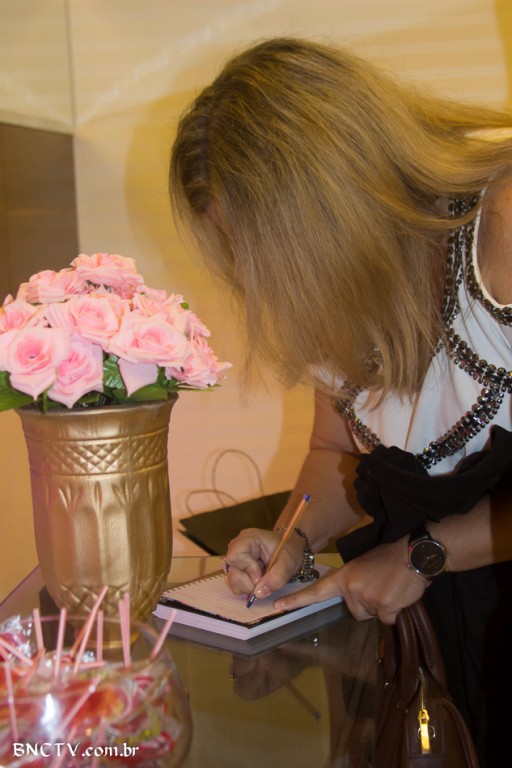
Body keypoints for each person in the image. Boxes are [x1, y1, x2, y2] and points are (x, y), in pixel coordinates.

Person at [169, 37, 512, 766]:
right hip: (430, 642)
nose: (271, 285)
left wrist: (424, 553)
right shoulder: (335, 293)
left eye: (275, 254)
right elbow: (334, 453)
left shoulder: (505, 227)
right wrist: (291, 539)